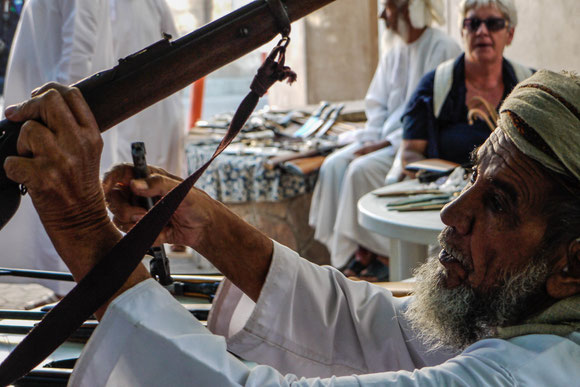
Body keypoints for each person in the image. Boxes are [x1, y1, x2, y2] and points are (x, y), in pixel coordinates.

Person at [5, 69, 578, 384]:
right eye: (474, 174)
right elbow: (368, 323)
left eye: (499, 203)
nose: (453, 214)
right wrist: (206, 223)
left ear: (571, 265)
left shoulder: (528, 376)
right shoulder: (527, 320)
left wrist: (81, 224)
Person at [308, 0, 460, 278]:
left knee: (358, 170)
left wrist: (386, 143)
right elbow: (376, 106)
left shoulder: (441, 47)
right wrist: (372, 138)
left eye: (388, 7)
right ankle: (349, 253)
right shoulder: (394, 53)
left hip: (413, 144)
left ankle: (379, 257)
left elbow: (431, 115)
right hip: (384, 138)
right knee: (333, 165)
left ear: (407, 9)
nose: (382, 16)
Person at [0, 0, 116, 295]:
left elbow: (78, 51)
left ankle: (73, 296)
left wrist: (63, 124)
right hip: (43, 116)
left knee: (66, 213)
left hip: (54, 117)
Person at [401, 0, 532, 171]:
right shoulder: (434, 86)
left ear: (510, 34)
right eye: (472, 23)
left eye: (493, 24)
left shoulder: (530, 86)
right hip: (449, 194)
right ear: (462, 32)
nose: (482, 31)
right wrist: (455, 179)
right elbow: (410, 154)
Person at [110, 0, 187, 178]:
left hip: (161, 103)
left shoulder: (154, 3)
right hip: (122, 107)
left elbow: (176, 46)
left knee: (167, 183)